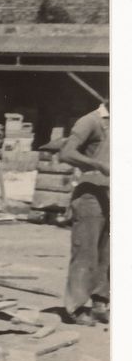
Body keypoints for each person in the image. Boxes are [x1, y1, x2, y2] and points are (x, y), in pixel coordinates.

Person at [57, 100, 110, 325]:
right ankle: (76, 308)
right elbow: (66, 153)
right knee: (85, 253)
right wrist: (97, 165)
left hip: (112, 194)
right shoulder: (90, 121)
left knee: (108, 254)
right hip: (90, 195)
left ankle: (100, 303)